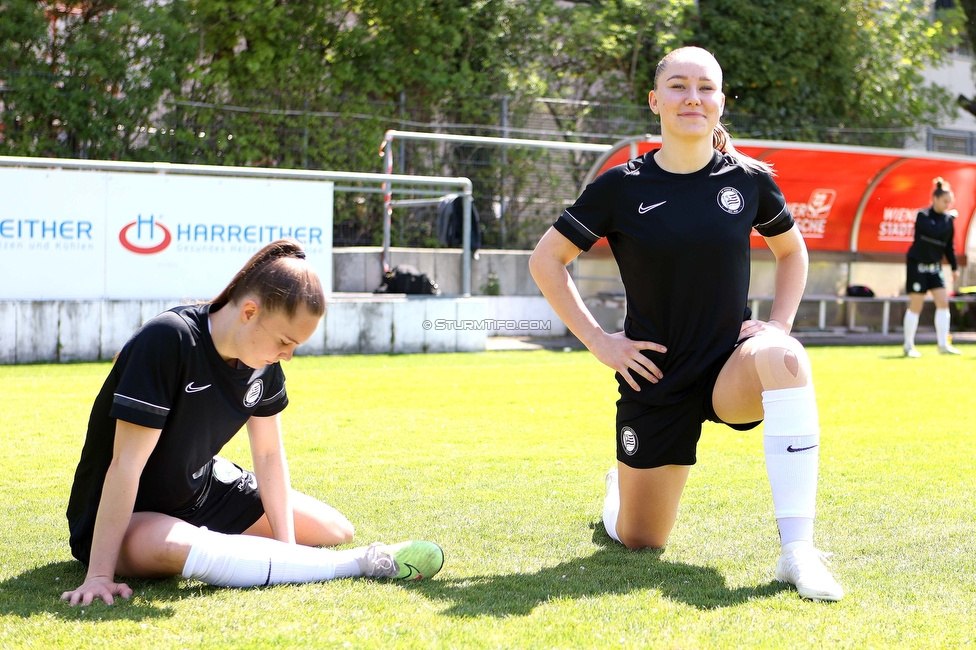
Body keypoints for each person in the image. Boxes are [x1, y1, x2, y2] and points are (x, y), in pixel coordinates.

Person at [529, 46, 843, 601]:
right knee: (641, 541)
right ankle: (618, 497)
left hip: (730, 369)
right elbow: (546, 260)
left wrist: (778, 325)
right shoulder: (620, 186)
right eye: (677, 86)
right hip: (655, 378)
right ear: (655, 100)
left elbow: (792, 254)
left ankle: (798, 552)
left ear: (721, 102)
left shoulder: (749, 181)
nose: (692, 97)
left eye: (705, 87)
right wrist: (601, 343)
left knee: (788, 359)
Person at [62, 239, 443, 607]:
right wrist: (98, 575)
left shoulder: (264, 361)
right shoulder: (169, 339)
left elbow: (268, 453)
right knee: (173, 548)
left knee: (334, 528)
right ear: (249, 313)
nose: (288, 356)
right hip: (127, 514)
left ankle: (277, 556)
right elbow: (126, 464)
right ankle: (359, 563)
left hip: (198, 492)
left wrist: (291, 554)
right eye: (285, 341)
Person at [902, 177, 962, 357]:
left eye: (949, 202)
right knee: (916, 305)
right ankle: (908, 345)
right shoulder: (923, 216)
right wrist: (948, 218)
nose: (947, 205)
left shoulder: (947, 220)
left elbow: (948, 245)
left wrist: (954, 267)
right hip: (917, 265)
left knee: (943, 303)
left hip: (934, 266)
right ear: (935, 199)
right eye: (944, 201)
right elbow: (934, 231)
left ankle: (943, 345)